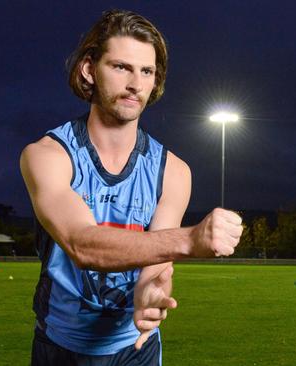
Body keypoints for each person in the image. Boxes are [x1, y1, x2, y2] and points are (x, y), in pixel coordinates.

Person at [20, 9, 243, 366]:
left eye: (147, 71)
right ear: (89, 69)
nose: (135, 84)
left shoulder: (173, 171)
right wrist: (189, 240)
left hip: (136, 350)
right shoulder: (48, 155)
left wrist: (152, 294)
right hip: (60, 347)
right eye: (121, 67)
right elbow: (82, 243)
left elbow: (157, 266)